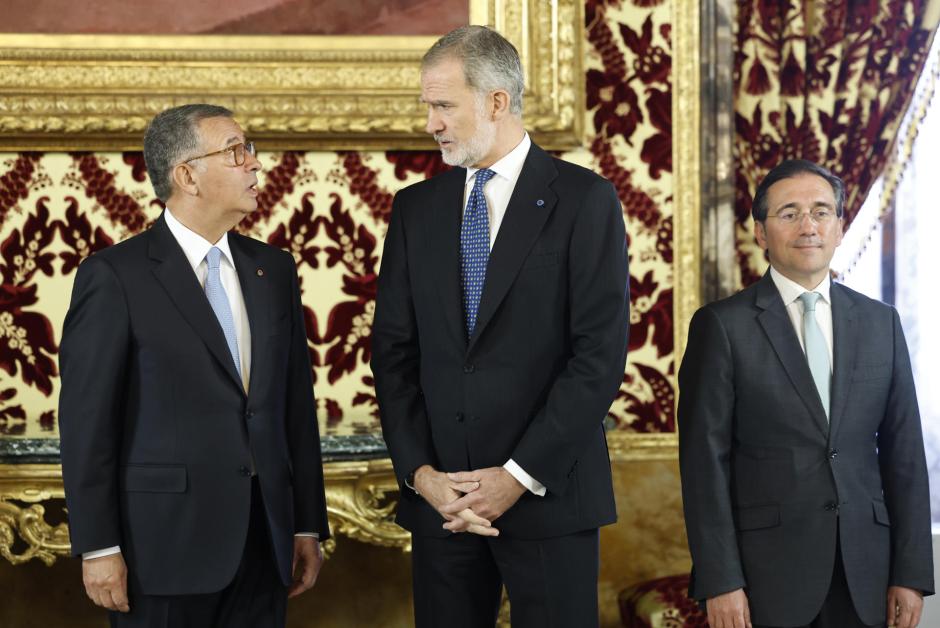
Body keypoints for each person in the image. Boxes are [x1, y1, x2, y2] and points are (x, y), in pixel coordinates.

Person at [370, 25, 629, 628]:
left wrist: (516, 477)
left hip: (548, 498)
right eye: (427, 106)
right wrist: (422, 475)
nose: (430, 123)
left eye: (442, 105)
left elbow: (597, 357)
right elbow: (394, 354)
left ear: (496, 101)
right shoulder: (416, 209)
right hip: (444, 505)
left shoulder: (585, 200)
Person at [58, 104, 329, 628]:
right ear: (186, 175)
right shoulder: (114, 276)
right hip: (160, 550)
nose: (254, 164)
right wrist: (97, 547)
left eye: (249, 150)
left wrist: (306, 526)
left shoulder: (273, 269)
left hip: (263, 544)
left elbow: (295, 407)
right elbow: (87, 425)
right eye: (236, 151)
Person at [678, 159, 934, 628]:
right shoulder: (722, 326)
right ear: (760, 232)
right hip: (766, 577)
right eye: (789, 213)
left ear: (839, 226)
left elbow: (906, 457)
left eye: (821, 211)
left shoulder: (882, 324)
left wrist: (912, 573)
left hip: (867, 573)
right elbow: (703, 466)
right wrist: (720, 581)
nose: (808, 226)